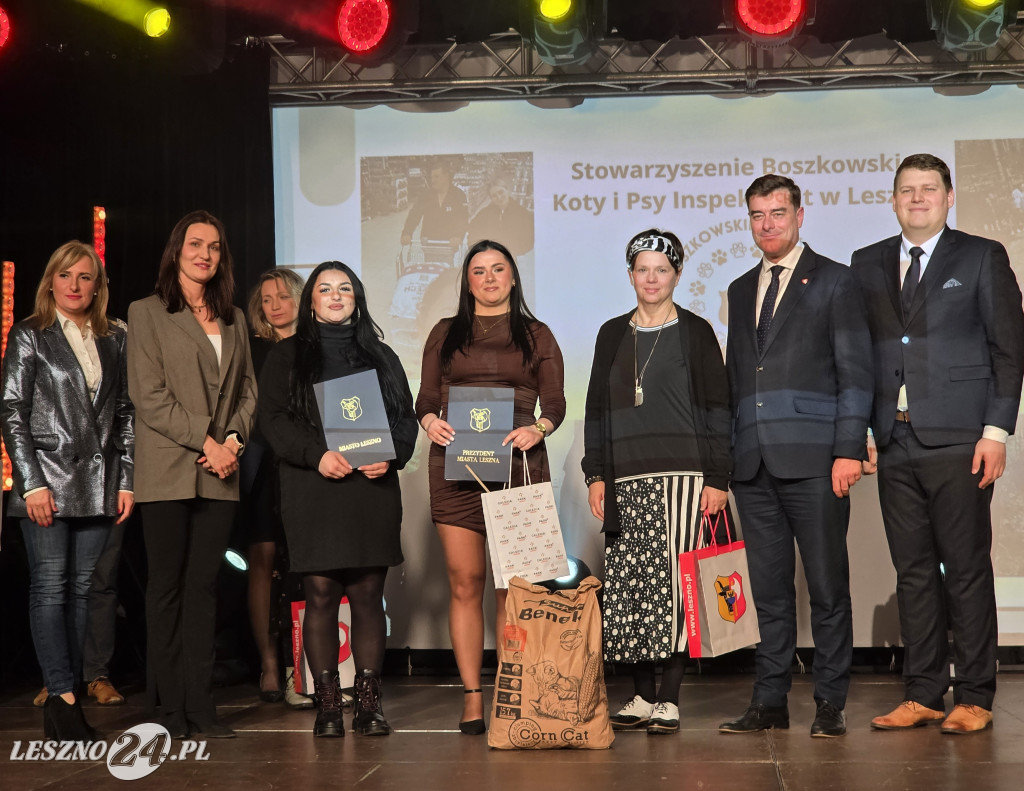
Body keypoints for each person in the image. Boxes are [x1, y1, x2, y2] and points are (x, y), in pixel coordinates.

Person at [851, 154, 1024, 734]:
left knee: (968, 569)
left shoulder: (981, 256)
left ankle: (974, 694)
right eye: (907, 190)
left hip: (961, 439)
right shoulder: (867, 262)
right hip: (894, 440)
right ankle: (923, 692)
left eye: (929, 189)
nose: (917, 198)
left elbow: (1008, 350)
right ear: (893, 199)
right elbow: (863, 356)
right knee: (914, 571)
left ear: (949, 198)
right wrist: (863, 433)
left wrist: (996, 431)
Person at [720, 174, 873, 738]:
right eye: (758, 214)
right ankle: (770, 701)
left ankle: (830, 702)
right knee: (768, 592)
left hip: (817, 461)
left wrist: (848, 449)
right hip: (754, 463)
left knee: (829, 588)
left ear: (800, 215)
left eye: (777, 213)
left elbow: (856, 374)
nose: (768, 224)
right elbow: (741, 377)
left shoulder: (836, 281)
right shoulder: (739, 289)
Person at [581, 229, 731, 735]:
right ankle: (642, 694)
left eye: (661, 270)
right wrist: (596, 472)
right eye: (642, 269)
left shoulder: (695, 332)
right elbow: (596, 412)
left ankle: (669, 696)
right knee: (632, 588)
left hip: (685, 477)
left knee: (676, 588)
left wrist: (718, 477)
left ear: (677, 275)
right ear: (630, 275)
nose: (651, 278)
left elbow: (717, 410)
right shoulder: (611, 334)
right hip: (626, 479)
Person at [258, 261, 417, 738]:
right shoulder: (287, 356)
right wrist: (316, 455)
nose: (334, 295)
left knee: (369, 594)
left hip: (371, 490)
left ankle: (369, 704)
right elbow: (273, 421)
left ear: (357, 298)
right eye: (324, 289)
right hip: (314, 488)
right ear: (311, 301)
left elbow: (405, 418)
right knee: (321, 595)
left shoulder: (380, 354)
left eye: (344, 288)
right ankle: (328, 704)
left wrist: (392, 457)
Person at [416, 239, 565, 735]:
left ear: (513, 277)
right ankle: (473, 697)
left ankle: (511, 690)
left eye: (498, 269)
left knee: (513, 591)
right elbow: (425, 397)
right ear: (468, 280)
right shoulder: (444, 333)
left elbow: (555, 404)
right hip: (456, 469)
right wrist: (429, 421)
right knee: (465, 583)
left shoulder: (536, 334)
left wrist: (537, 429)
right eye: (478, 271)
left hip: (518, 469)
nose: (489, 278)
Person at [127, 210, 257, 740]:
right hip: (169, 469)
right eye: (195, 244)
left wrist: (232, 444)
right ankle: (167, 709)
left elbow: (249, 390)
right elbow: (149, 397)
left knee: (203, 589)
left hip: (220, 470)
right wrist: (207, 440)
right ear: (176, 251)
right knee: (166, 592)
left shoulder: (235, 317)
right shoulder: (146, 312)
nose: (205, 254)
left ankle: (202, 708)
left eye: (215, 247)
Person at [1, 241, 134, 741]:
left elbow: (126, 414)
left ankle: (69, 693)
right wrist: (31, 483)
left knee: (83, 592)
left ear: (97, 285)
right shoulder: (30, 334)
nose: (75, 286)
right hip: (47, 486)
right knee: (50, 589)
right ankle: (61, 695)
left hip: (100, 484)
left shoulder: (114, 336)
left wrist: (127, 481)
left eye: (85, 277)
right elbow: (12, 411)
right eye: (66, 276)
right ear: (50, 281)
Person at [242, 268, 308, 707]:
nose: (276, 304)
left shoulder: (318, 348)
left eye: (284, 296)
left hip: (307, 463)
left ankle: (304, 667)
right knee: (261, 561)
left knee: (308, 562)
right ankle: (268, 662)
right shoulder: (251, 351)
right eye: (267, 299)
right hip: (263, 463)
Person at [400, 160, 469, 252]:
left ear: (446, 176)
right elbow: (414, 214)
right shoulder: (426, 195)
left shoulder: (458, 195)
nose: (433, 180)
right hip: (429, 242)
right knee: (430, 266)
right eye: (432, 177)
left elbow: (462, 218)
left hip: (449, 243)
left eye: (436, 177)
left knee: (447, 266)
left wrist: (458, 236)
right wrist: (407, 233)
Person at [468, 170, 534, 257]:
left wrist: (515, 251)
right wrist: (480, 251)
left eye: (501, 192)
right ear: (491, 198)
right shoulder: (484, 214)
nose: (499, 197)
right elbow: (473, 231)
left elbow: (529, 237)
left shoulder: (523, 214)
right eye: (494, 195)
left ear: (507, 191)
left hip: (512, 258)